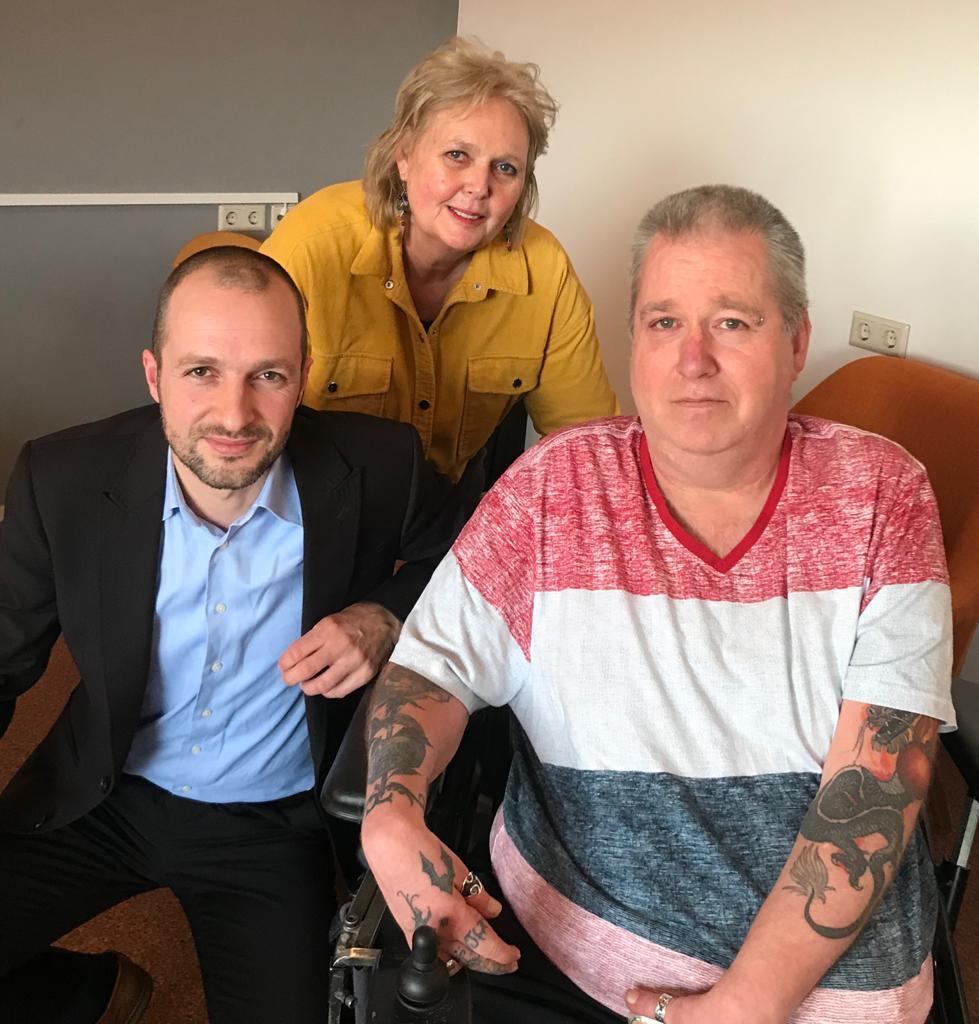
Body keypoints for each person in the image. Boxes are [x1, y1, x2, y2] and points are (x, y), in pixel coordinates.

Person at [359, 185, 955, 1024]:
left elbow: (876, 793)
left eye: (732, 322)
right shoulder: (553, 487)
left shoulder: (879, 492)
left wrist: (740, 1007)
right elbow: (432, 669)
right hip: (559, 951)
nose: (692, 359)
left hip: (819, 996)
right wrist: (388, 815)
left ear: (796, 343)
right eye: (663, 321)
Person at [0, 246, 470, 1023]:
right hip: (103, 794)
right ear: (154, 375)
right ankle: (85, 995)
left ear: (303, 376)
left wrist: (381, 615)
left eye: (268, 376)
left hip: (271, 822)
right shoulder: (63, 478)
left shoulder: (381, 463)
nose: (234, 415)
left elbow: (472, 557)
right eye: (201, 372)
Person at [260, 36, 618, 483]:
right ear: (404, 156)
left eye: (505, 168)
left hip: (447, 508)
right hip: (308, 504)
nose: (479, 186)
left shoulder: (544, 270)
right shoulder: (311, 246)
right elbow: (241, 420)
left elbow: (587, 451)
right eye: (457, 155)